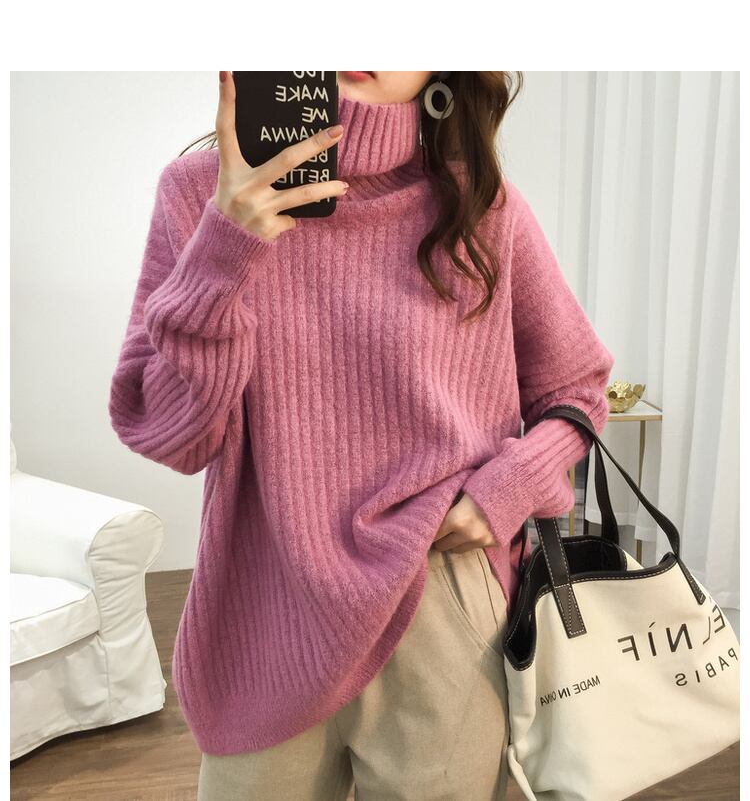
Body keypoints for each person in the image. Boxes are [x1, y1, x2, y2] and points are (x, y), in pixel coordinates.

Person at [108, 70, 615, 800]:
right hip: (264, 604)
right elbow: (168, 434)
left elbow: (577, 389)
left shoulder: (480, 204)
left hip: (441, 592)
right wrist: (226, 248)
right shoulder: (200, 196)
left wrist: (507, 489)